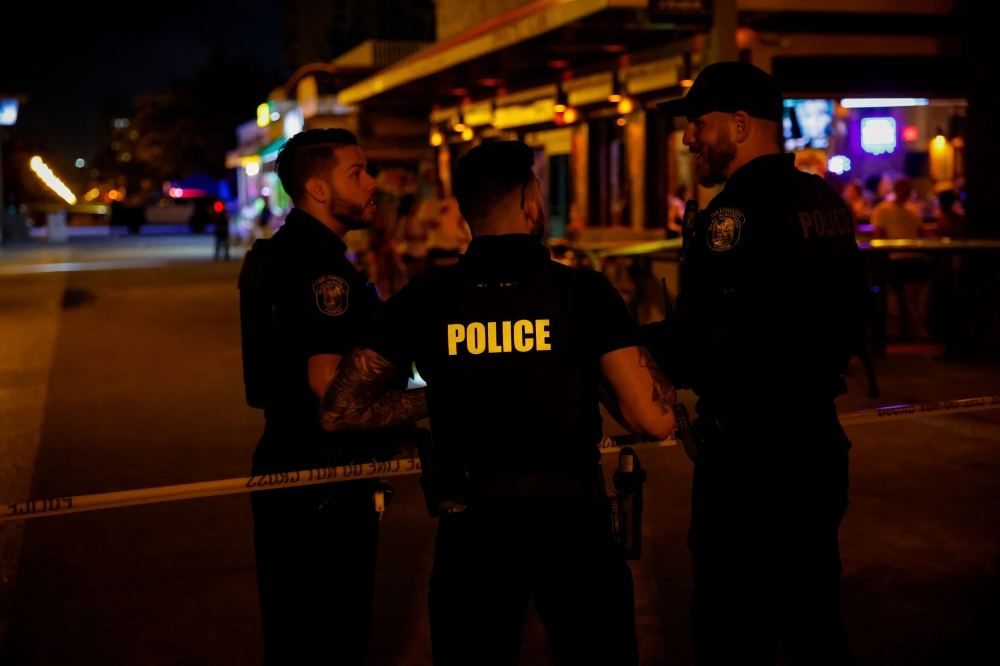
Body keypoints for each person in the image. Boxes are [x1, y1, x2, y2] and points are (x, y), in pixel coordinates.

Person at [318, 141, 677, 666]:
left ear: (464, 212)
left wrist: (451, 390)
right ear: (531, 201)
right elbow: (653, 415)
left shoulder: (426, 298)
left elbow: (339, 409)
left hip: (473, 529)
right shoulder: (582, 293)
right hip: (573, 523)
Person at [646, 61, 871, 665]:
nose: (690, 137)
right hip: (817, 443)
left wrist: (627, 345)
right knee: (813, 620)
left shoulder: (732, 215)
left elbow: (702, 341)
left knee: (731, 630)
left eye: (699, 123)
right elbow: (855, 312)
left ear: (741, 125)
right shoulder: (822, 199)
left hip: (751, 461)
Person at [239, 128, 397, 665]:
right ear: (318, 190)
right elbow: (331, 392)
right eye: (356, 173)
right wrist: (425, 404)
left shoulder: (282, 253)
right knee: (333, 632)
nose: (371, 182)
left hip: (288, 462)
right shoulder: (319, 268)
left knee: (293, 631)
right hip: (322, 476)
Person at [871, 177, 930, 340]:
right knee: (910, 293)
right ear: (897, 190)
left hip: (915, 256)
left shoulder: (912, 209)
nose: (907, 192)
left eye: (909, 189)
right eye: (905, 188)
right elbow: (879, 235)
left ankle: (915, 326)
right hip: (897, 259)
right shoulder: (883, 209)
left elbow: (921, 231)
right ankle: (917, 328)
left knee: (921, 292)